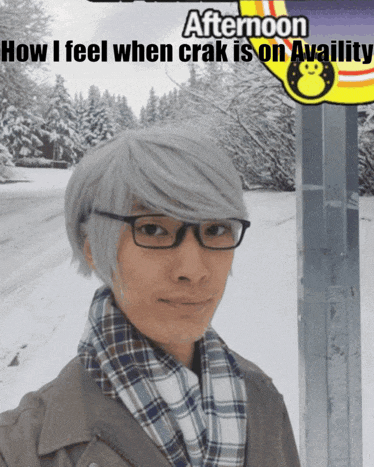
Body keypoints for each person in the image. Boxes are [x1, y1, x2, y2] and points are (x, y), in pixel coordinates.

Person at [0, 126, 300, 466]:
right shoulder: (19, 448)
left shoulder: (262, 401)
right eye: (153, 229)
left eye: (215, 229)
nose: (194, 269)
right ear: (93, 250)